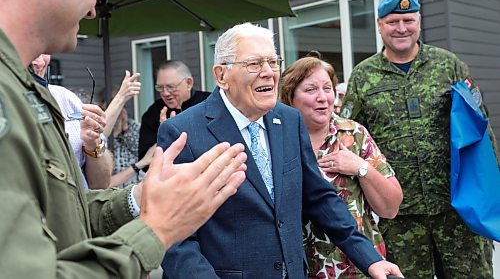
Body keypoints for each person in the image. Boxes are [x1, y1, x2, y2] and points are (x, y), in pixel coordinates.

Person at [0, 0, 247, 277]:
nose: (92, 9)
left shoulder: (25, 87)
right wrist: (157, 230)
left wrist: (139, 197)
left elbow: (65, 215)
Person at [158, 23, 403, 279]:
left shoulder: (288, 120)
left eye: (273, 62)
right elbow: (175, 238)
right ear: (222, 76)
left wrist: (370, 258)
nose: (268, 72)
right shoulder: (182, 133)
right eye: (254, 64)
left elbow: (319, 197)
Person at [340, 0, 498, 278]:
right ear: (379, 25)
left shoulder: (448, 65)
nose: (401, 28)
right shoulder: (363, 76)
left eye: (408, 20)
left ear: (419, 22)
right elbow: (348, 137)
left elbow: (480, 127)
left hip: (456, 209)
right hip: (399, 217)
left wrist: (491, 188)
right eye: (392, 22)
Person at [280, 55, 403, 278]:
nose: (323, 98)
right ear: (290, 97)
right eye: (310, 90)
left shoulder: (353, 134)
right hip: (301, 268)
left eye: (328, 88)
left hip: (360, 266)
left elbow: (391, 208)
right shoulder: (277, 140)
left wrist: (361, 168)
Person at [32, 54, 113, 189]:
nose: (40, 63)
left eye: (44, 51)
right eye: (33, 52)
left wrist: (93, 143)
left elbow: (101, 184)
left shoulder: (65, 98)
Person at [138, 60, 210, 159]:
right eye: (160, 87)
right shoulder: (153, 112)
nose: (165, 93)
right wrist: (164, 135)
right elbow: (145, 159)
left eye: (170, 87)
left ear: (189, 83)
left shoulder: (208, 103)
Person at [97, 75, 155, 188]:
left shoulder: (132, 126)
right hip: (114, 188)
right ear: (102, 105)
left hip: (135, 184)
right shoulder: (98, 130)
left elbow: (139, 151)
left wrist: (124, 129)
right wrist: (114, 132)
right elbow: (103, 149)